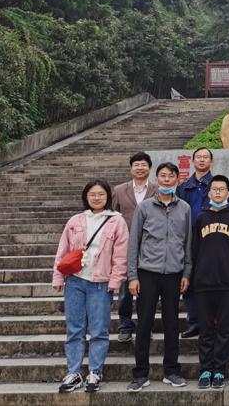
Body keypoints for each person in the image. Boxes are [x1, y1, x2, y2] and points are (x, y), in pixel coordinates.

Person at [53, 179, 129, 393]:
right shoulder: (75, 220)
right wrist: (58, 277)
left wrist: (115, 280)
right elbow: (63, 250)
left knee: (99, 330)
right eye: (92, 194)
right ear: (86, 197)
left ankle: (95, 371)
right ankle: (74, 372)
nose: (96, 198)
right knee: (74, 329)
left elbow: (121, 254)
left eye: (101, 194)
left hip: (100, 283)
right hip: (75, 281)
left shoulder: (116, 221)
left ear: (108, 197)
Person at [126, 162, 192, 392]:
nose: (166, 180)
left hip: (174, 274)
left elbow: (188, 242)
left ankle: (171, 371)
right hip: (147, 273)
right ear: (157, 179)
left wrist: (187, 272)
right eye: (163, 176)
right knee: (144, 324)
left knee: (172, 324)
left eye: (171, 176)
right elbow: (134, 242)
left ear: (177, 180)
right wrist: (132, 276)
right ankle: (140, 374)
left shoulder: (184, 208)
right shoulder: (144, 207)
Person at [192, 175, 229, 390]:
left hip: (227, 283)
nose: (217, 192)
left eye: (221, 189)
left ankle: (220, 370)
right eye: (214, 189)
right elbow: (194, 249)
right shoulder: (201, 218)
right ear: (209, 192)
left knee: (224, 329)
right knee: (206, 330)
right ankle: (206, 369)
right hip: (204, 282)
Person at [111, 152, 156, 343]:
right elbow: (112, 216)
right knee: (124, 290)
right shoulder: (119, 190)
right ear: (131, 168)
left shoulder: (157, 189)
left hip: (150, 247)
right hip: (125, 246)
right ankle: (125, 325)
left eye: (143, 165)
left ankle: (146, 326)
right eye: (136, 165)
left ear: (150, 168)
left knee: (148, 290)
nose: (140, 168)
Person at [178, 147, 214, 339]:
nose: (202, 160)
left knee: (211, 280)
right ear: (193, 161)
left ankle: (211, 321)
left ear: (211, 161)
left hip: (212, 238)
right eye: (198, 157)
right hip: (189, 239)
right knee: (189, 279)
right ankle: (194, 321)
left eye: (205, 157)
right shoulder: (183, 187)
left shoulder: (217, 185)